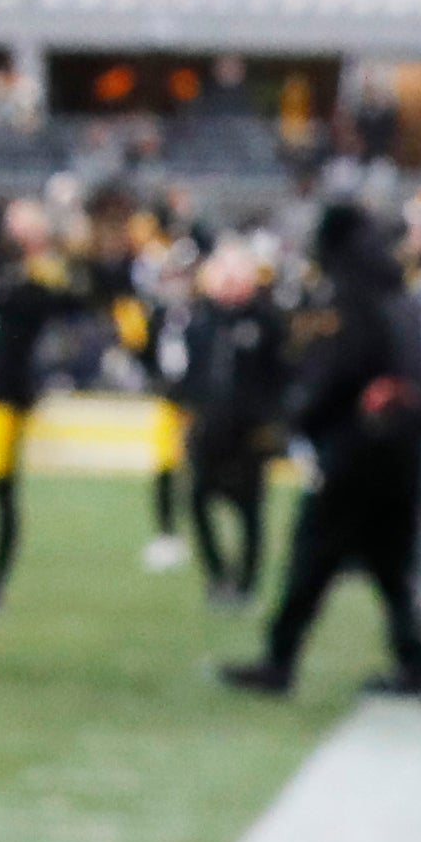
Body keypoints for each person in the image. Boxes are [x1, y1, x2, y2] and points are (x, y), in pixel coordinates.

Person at [217, 201, 421, 700]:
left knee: (311, 558)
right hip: (399, 454)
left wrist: (298, 418)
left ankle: (279, 659)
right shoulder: (400, 294)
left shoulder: (346, 299)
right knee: (390, 564)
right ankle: (415, 659)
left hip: (352, 454)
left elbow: (334, 373)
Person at [0, 202, 100, 612]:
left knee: (0, 491)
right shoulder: (11, 272)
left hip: (6, 399)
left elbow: (60, 300)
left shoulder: (38, 278)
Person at [163, 236, 289, 607]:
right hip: (207, 430)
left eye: (238, 273)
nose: (231, 281)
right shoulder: (199, 320)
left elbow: (281, 375)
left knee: (251, 511)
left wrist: (273, 423)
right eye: (225, 273)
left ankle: (245, 584)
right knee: (199, 500)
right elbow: (184, 372)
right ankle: (217, 577)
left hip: (250, 435)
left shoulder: (267, 322)